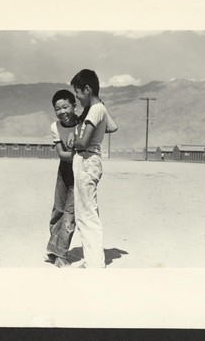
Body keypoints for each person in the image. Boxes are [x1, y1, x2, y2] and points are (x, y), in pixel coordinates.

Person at [67, 69, 118, 268]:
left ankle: (95, 263)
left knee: (86, 214)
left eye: (78, 93)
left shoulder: (95, 110)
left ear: (87, 90)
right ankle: (92, 259)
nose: (77, 98)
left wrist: (73, 141)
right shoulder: (99, 109)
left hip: (86, 160)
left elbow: (84, 142)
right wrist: (97, 111)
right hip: (92, 160)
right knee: (87, 211)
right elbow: (113, 127)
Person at [45, 90, 79, 268]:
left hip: (80, 172)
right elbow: (61, 154)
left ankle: (61, 253)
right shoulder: (55, 127)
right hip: (64, 170)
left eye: (65, 106)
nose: (62, 112)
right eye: (57, 109)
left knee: (70, 213)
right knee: (58, 209)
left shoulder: (84, 124)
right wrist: (75, 153)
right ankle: (53, 249)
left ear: (74, 105)